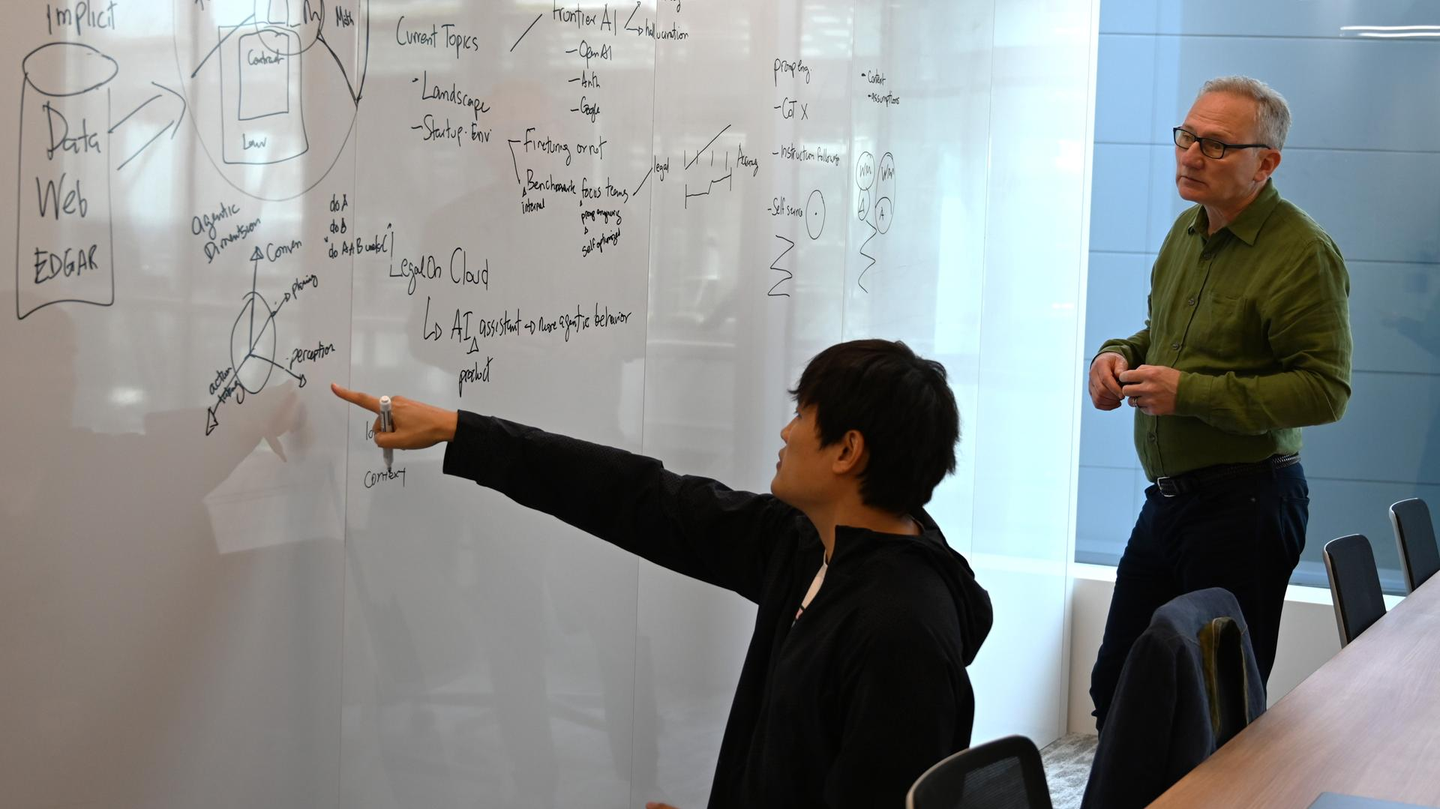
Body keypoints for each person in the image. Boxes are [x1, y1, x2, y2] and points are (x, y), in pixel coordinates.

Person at [333, 339, 992, 808]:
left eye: (802, 414)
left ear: (847, 451)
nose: (786, 433)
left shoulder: (900, 635)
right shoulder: (808, 545)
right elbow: (640, 497)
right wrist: (458, 430)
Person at [1086, 75, 1352, 730]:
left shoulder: (1302, 252)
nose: (1191, 155)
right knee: (1118, 683)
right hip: (1169, 501)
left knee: (1215, 709)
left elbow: (1324, 389)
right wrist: (1115, 354)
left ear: (1266, 163)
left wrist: (1192, 393)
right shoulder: (1187, 230)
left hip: (1245, 505)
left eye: (1216, 145)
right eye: (1187, 136)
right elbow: (1164, 334)